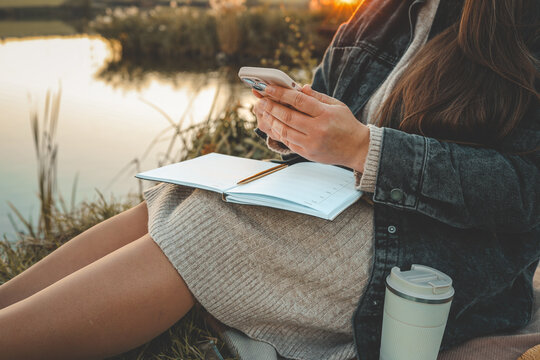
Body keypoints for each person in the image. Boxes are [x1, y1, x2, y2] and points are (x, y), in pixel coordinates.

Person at [0, 0, 538, 359]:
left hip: (436, 249)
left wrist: (364, 148)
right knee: (183, 191)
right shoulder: (381, 12)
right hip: (344, 200)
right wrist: (292, 125)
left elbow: (527, 191)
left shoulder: (522, 24)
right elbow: (332, 100)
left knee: (215, 228)